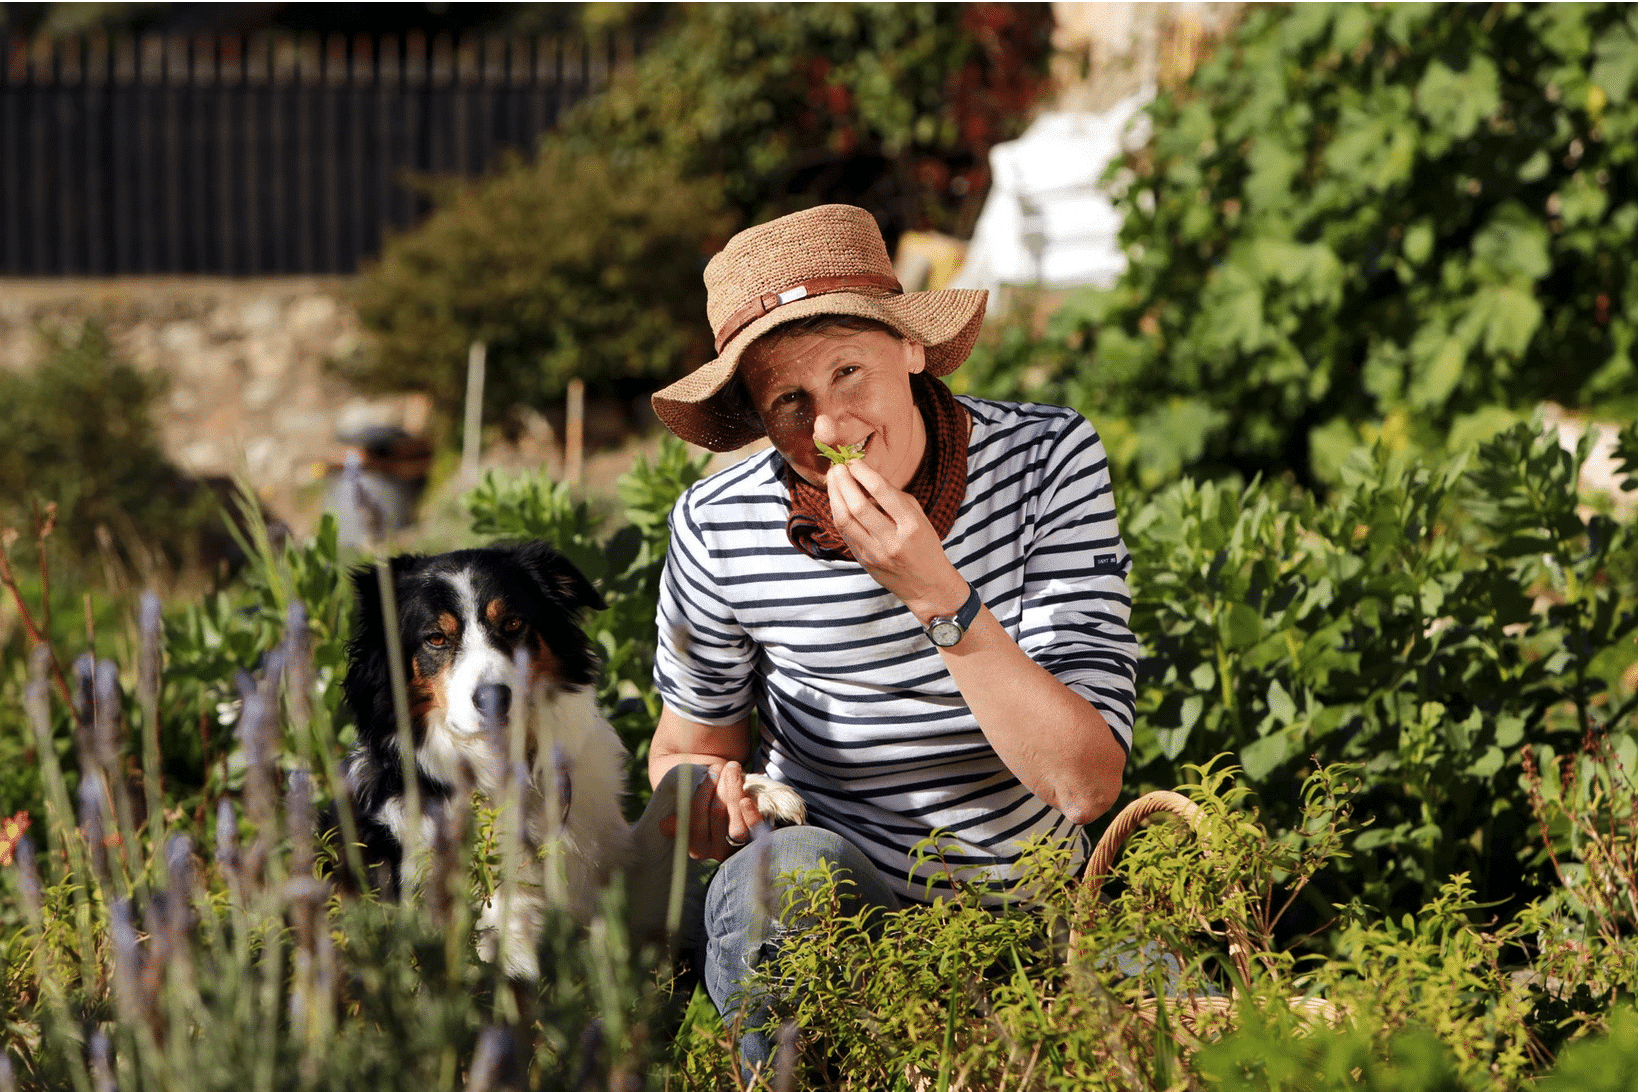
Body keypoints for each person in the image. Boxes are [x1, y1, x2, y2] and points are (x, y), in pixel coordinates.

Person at [647, 204, 1137, 1072]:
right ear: (754, 414)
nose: (830, 430)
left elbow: (1087, 784)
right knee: (778, 881)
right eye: (789, 401)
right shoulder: (717, 526)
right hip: (836, 894)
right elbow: (687, 748)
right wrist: (708, 799)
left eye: (849, 372)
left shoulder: (1046, 461)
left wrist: (935, 593)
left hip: (1030, 909)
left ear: (910, 346)